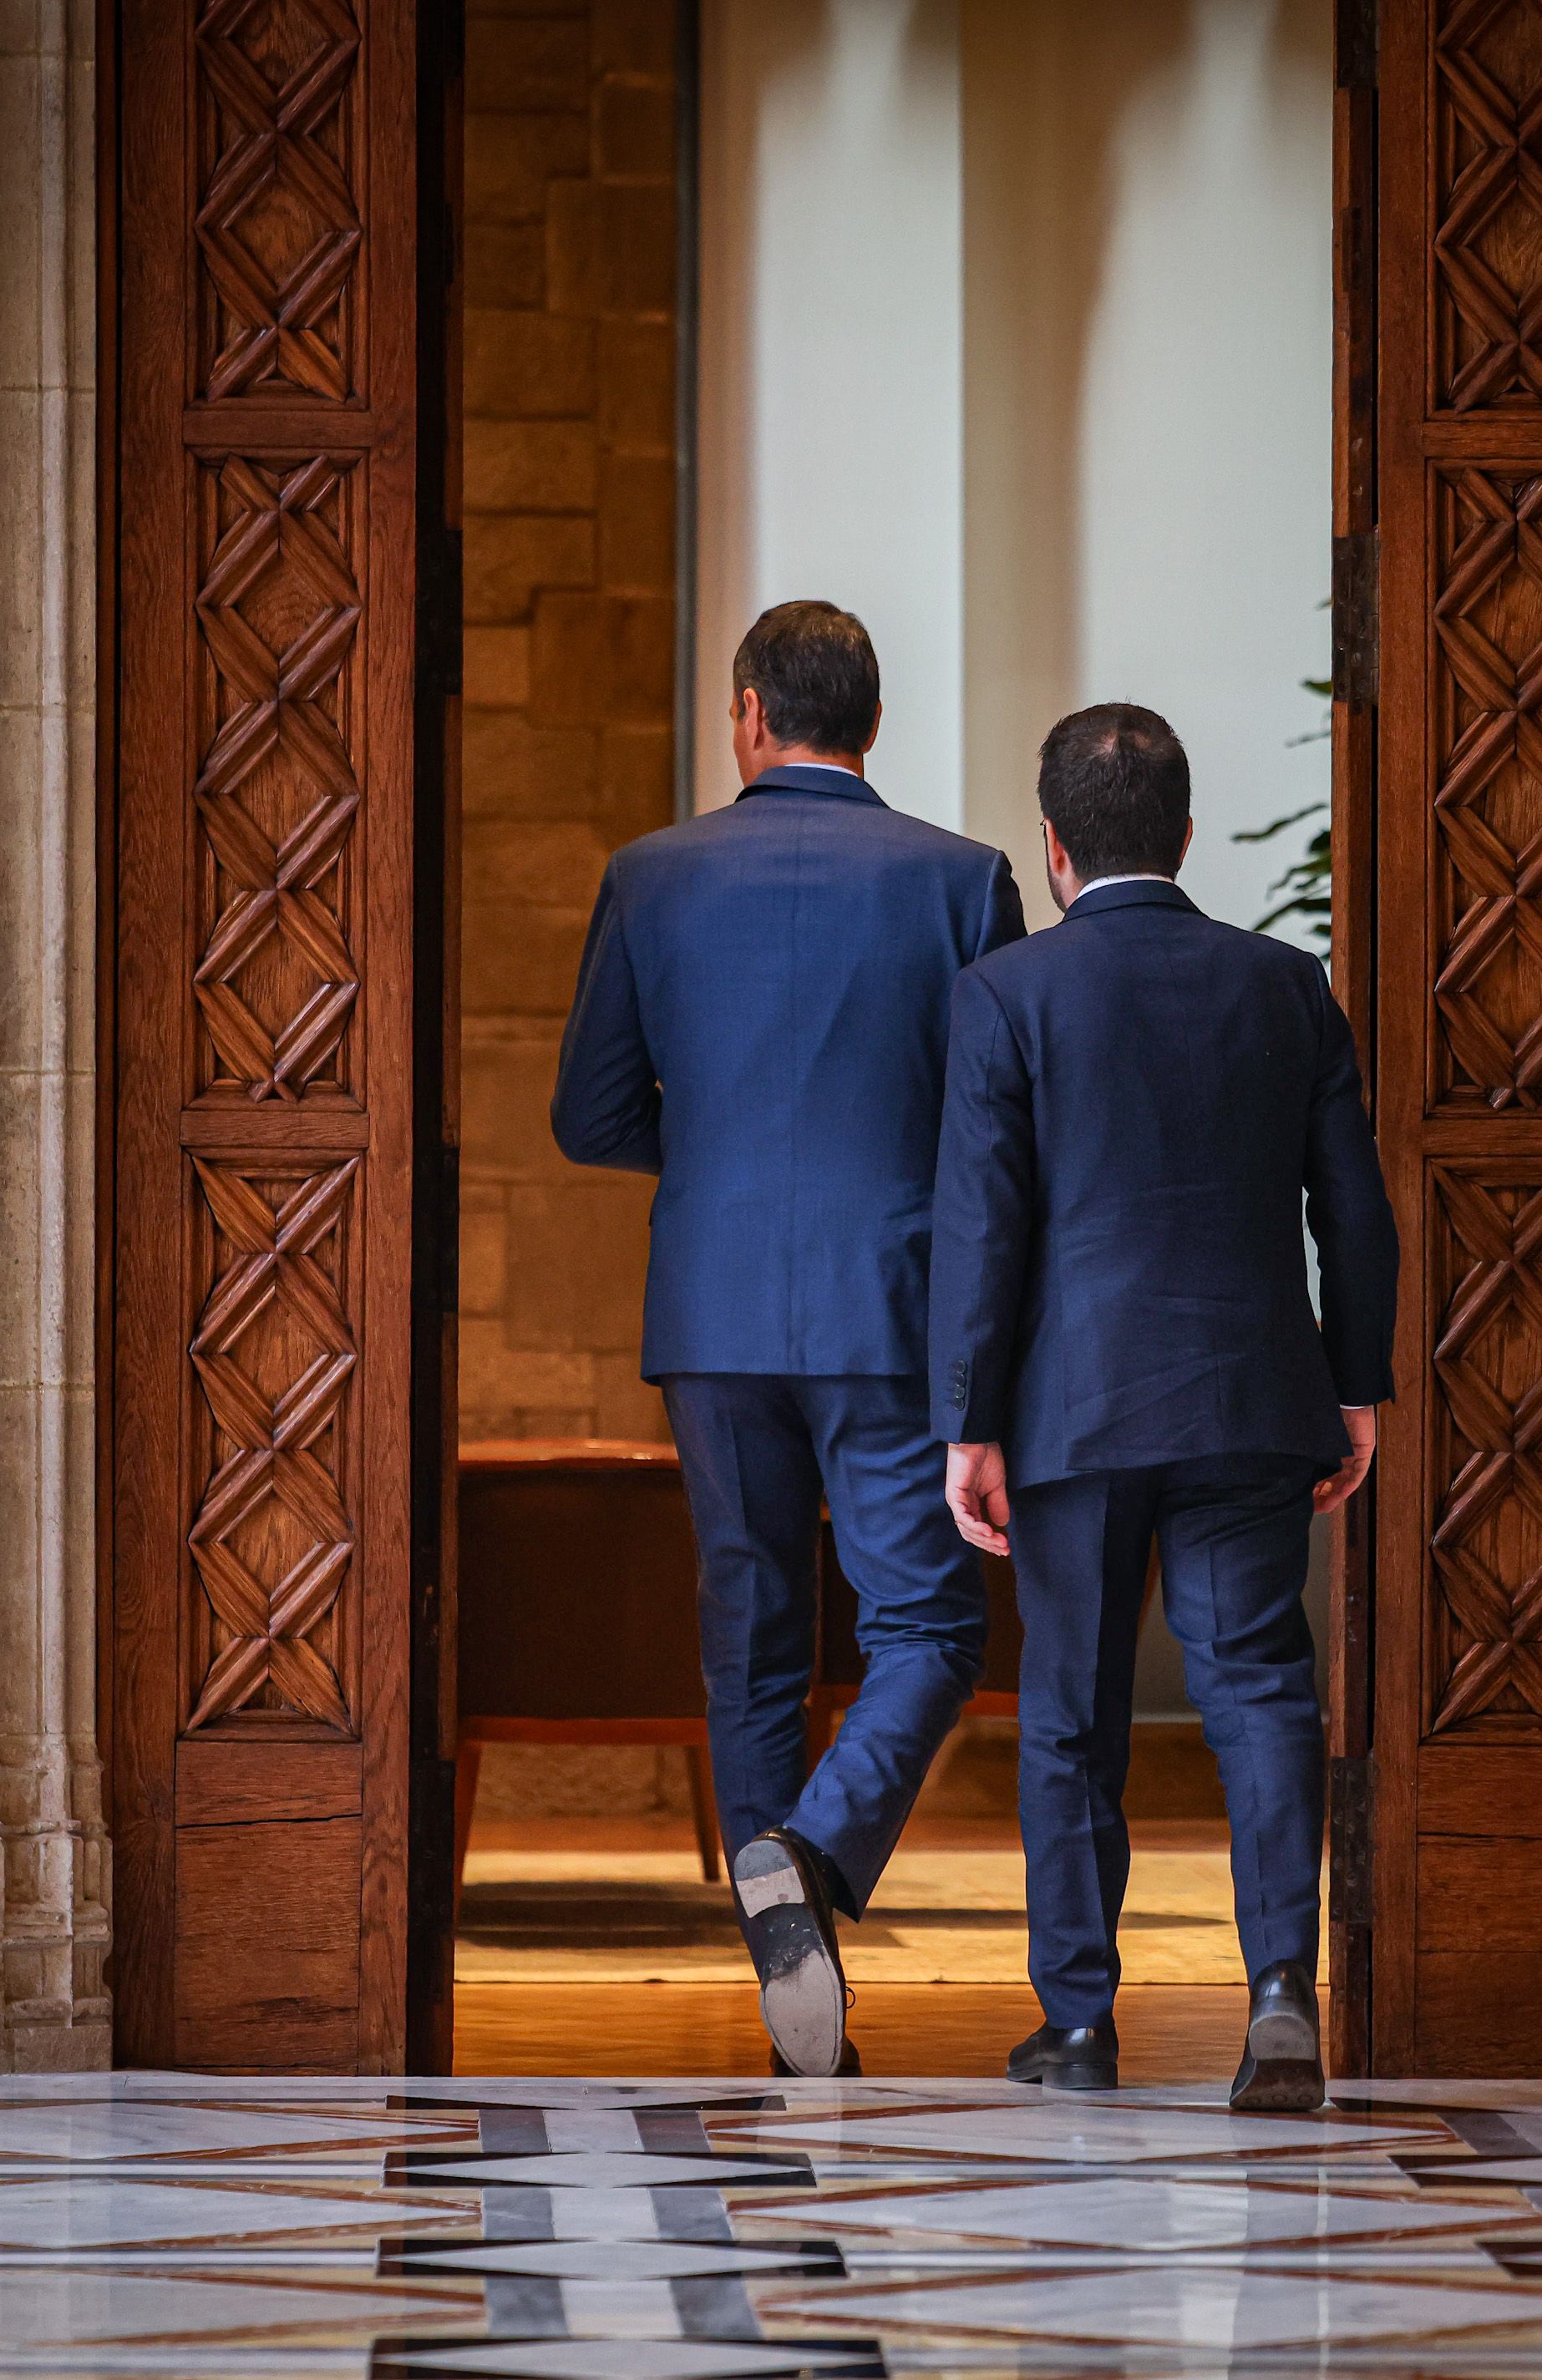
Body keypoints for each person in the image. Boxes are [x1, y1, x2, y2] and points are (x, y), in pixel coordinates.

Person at [551, 600, 1023, 2079]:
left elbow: (589, 1113)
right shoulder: (967, 880)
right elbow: (992, 1128)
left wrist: (721, 1163)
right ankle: (808, 1861)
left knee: (749, 1636)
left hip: (713, 1304)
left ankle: (786, 1939)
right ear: (872, 725)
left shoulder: (650, 875)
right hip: (894, 1306)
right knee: (930, 1627)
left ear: (747, 714)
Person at [929, 701, 1397, 2112]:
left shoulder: (1009, 995)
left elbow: (983, 1223)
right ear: (1187, 836)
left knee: (1069, 1711)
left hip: (1070, 1413)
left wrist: (970, 1419)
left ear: (1054, 848)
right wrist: (1356, 1381)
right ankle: (1276, 1996)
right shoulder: (1286, 985)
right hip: (1253, 1396)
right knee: (1258, 1685)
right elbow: (1353, 1208)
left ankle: (1078, 2022)